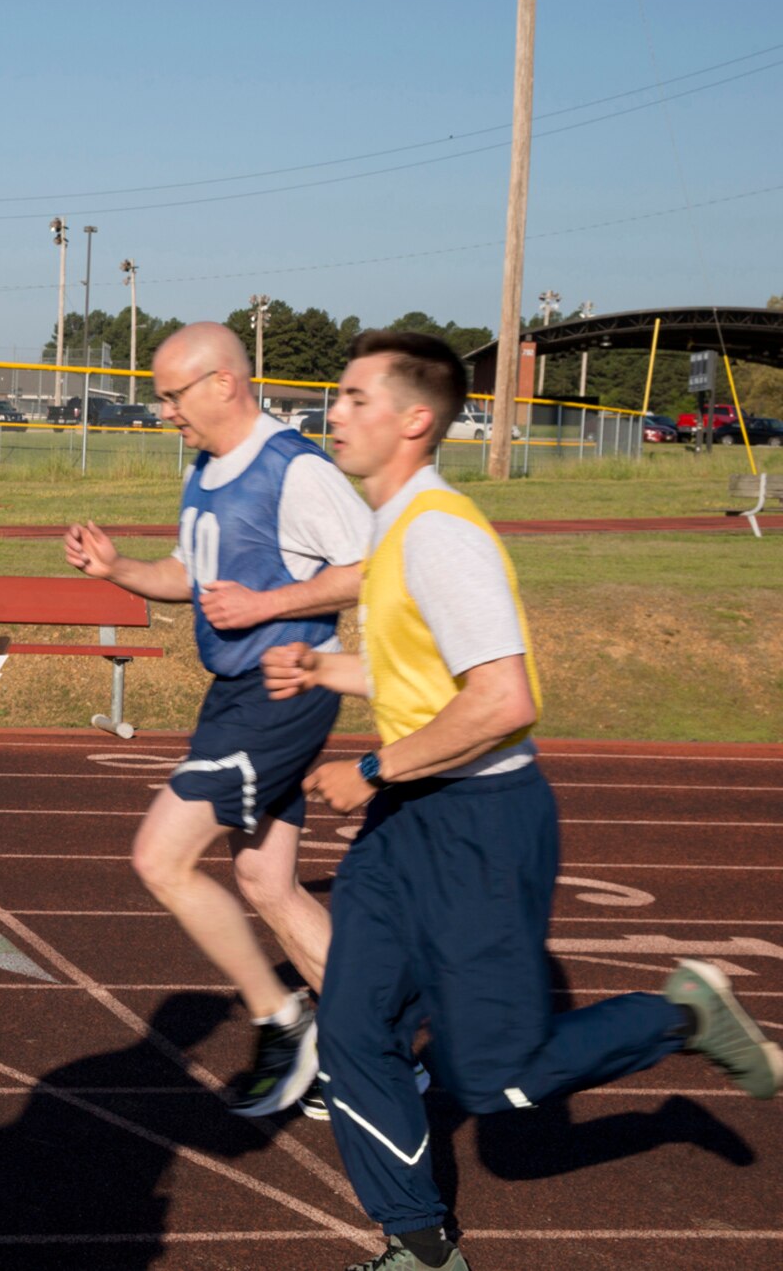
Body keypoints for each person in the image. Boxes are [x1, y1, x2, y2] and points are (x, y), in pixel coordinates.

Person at [261, 330, 780, 1271]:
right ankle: (419, 1245)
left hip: (480, 825)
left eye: (354, 398)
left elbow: (503, 699)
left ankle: (684, 1016)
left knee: (492, 1081)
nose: (333, 413)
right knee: (352, 1028)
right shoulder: (393, 528)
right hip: (405, 829)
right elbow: (416, 663)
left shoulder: (442, 532)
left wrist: (373, 770)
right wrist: (324, 668)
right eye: (335, 397)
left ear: (415, 419)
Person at [63, 321, 370, 1118]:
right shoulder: (206, 467)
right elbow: (192, 575)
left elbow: (372, 569)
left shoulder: (294, 470)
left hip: (284, 689)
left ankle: (283, 1017)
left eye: (173, 394)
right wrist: (119, 569)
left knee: (161, 857)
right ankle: (368, 1050)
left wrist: (270, 603)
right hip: (232, 694)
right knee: (267, 881)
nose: (165, 411)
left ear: (224, 383)